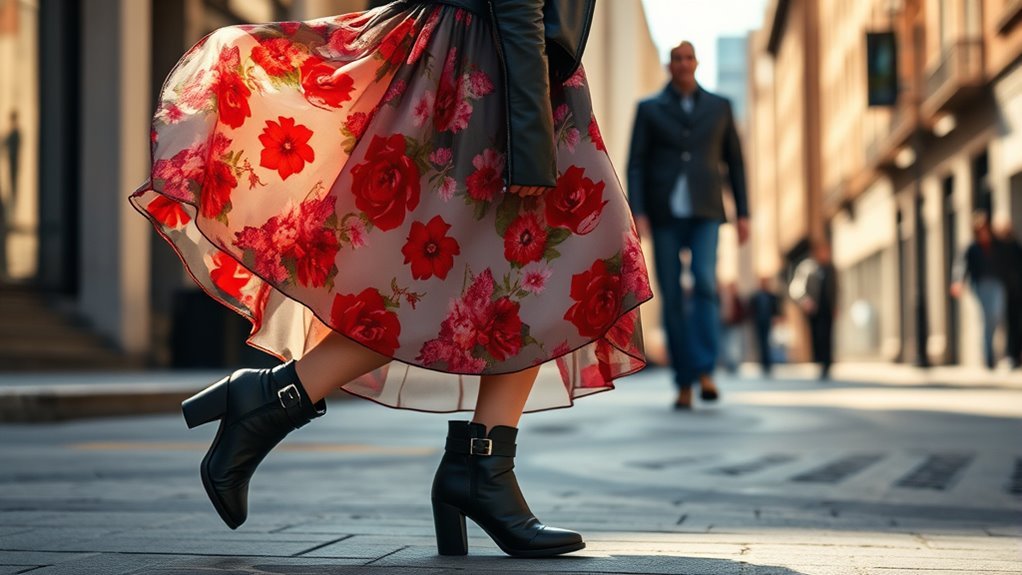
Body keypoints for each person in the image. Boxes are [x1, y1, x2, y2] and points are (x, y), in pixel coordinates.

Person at [129, 0, 652, 559]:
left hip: (503, 64)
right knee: (538, 264)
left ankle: (468, 460)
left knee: (514, 279)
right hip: (497, 70)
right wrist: (530, 137)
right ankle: (458, 464)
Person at [626, 40, 748, 409]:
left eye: (688, 58)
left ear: (696, 63)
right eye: (676, 59)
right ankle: (683, 380)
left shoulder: (720, 107)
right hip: (664, 215)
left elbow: (736, 164)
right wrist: (639, 210)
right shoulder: (648, 109)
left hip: (706, 212)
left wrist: (744, 213)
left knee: (706, 283)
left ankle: (705, 371)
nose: (683, 64)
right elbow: (637, 163)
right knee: (673, 297)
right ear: (669, 65)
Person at [951, 213, 1007, 370]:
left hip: (997, 283)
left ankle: (991, 352)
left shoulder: (997, 244)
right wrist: (958, 281)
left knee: (996, 316)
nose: (983, 231)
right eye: (980, 229)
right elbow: (961, 265)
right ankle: (989, 358)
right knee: (986, 318)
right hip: (980, 285)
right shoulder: (972, 247)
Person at [791, 242, 838, 380]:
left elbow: (836, 288)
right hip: (814, 310)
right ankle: (820, 362)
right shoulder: (807, 268)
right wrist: (805, 301)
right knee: (818, 336)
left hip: (827, 308)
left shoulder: (830, 268)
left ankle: (827, 363)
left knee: (828, 336)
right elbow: (796, 287)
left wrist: (836, 305)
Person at [993, 219, 1022, 369]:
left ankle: (1014, 355)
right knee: (1010, 324)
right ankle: (1011, 354)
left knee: (1014, 324)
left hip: (1015, 291)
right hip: (1005, 290)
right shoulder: (998, 247)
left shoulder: (1014, 246)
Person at [750, 276, 781, 376]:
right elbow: (751, 309)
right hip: (759, 322)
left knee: (768, 342)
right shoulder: (756, 296)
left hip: (768, 322)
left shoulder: (771, 295)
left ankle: (768, 362)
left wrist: (776, 317)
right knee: (760, 342)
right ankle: (763, 362)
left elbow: (776, 308)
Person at [718, 282, 745, 373]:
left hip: (734, 325)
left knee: (734, 345)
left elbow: (742, 312)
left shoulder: (737, 299)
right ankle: (727, 363)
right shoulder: (722, 299)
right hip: (724, 325)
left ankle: (734, 363)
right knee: (726, 345)